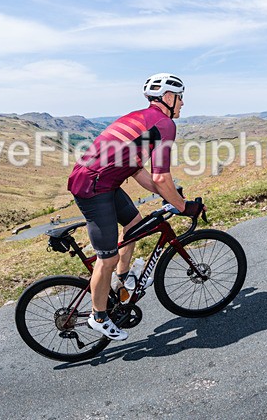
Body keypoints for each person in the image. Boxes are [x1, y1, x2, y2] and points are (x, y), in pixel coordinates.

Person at [67, 72, 203, 340]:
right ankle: (98, 316)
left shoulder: (142, 118)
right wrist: (184, 207)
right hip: (94, 188)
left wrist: (169, 195)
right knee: (107, 258)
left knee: (134, 224)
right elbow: (160, 176)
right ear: (168, 97)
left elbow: (137, 167)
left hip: (99, 181)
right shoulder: (164, 124)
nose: (183, 103)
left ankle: (124, 279)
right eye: (180, 97)